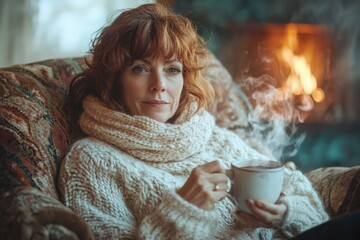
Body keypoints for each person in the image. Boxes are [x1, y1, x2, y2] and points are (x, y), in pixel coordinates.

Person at [58, 3, 329, 239]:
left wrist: (285, 213)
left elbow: (316, 213)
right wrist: (184, 210)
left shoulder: (213, 137)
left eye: (173, 70)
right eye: (140, 68)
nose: (159, 85)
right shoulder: (91, 161)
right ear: (113, 80)